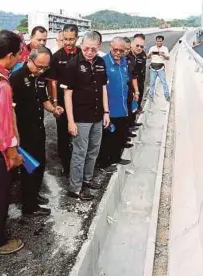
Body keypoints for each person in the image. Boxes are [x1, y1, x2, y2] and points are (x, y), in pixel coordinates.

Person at [10, 47, 64, 217]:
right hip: (23, 130)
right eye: (38, 66)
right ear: (29, 60)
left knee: (39, 163)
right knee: (28, 167)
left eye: (44, 68)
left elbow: (43, 100)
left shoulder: (40, 78)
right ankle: (29, 205)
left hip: (38, 127)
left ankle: (34, 195)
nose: (41, 70)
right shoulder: (17, 78)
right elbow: (9, 109)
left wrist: (54, 110)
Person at [0, 30, 24, 255]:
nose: (20, 58)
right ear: (9, 56)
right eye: (18, 54)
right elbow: (5, 127)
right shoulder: (0, 85)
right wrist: (13, 155)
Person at [63, 31, 110, 201]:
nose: (89, 52)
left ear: (99, 47)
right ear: (81, 46)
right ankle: (75, 188)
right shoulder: (72, 65)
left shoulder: (101, 62)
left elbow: (103, 88)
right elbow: (67, 94)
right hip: (81, 117)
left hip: (97, 115)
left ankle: (87, 179)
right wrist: (70, 121)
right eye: (86, 49)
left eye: (93, 49)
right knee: (79, 153)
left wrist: (106, 112)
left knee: (93, 150)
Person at [48, 24, 80, 177]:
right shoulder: (56, 57)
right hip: (61, 100)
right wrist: (55, 104)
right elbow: (52, 81)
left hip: (79, 101)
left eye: (71, 39)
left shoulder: (82, 53)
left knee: (79, 132)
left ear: (77, 38)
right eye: (66, 39)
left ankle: (78, 164)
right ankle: (66, 166)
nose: (68, 42)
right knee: (63, 134)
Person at [98, 37, 132, 171]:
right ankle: (104, 164)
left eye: (121, 50)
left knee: (120, 134)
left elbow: (126, 80)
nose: (117, 53)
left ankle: (116, 157)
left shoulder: (124, 62)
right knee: (108, 137)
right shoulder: (104, 62)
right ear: (110, 47)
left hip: (122, 106)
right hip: (109, 107)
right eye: (115, 49)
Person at [147, 35, 170, 101]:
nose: (158, 42)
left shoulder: (165, 48)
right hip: (152, 68)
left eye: (160, 41)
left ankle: (167, 95)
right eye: (157, 41)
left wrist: (163, 54)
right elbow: (148, 57)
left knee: (164, 82)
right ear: (156, 41)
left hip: (161, 68)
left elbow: (168, 58)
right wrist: (150, 53)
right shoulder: (152, 48)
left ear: (162, 41)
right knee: (152, 83)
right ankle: (151, 96)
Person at [130, 33, 147, 116]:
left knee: (138, 102)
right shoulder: (127, 54)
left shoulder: (143, 54)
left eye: (141, 46)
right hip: (130, 84)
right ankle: (129, 125)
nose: (139, 48)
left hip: (140, 82)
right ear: (132, 43)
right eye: (137, 45)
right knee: (130, 104)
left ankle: (133, 122)